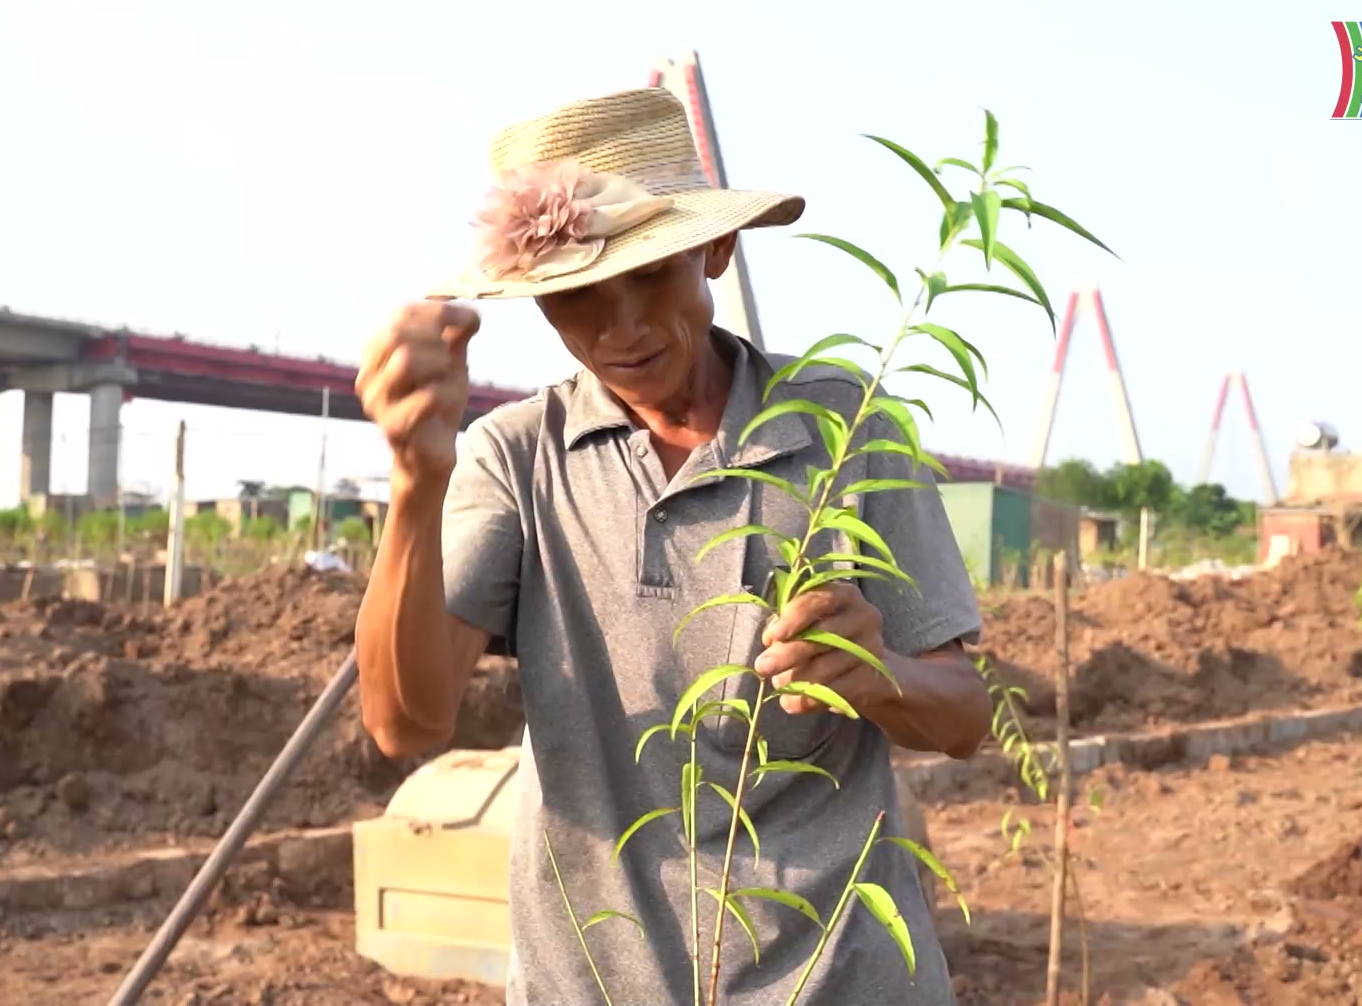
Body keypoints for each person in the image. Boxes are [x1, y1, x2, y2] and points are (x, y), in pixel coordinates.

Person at [353, 87, 993, 1006]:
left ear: (715, 249)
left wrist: (875, 669)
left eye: (650, 276)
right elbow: (405, 721)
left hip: (839, 981)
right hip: (597, 983)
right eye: (575, 295)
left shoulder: (845, 428)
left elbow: (965, 715)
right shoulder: (517, 459)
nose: (621, 330)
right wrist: (415, 486)